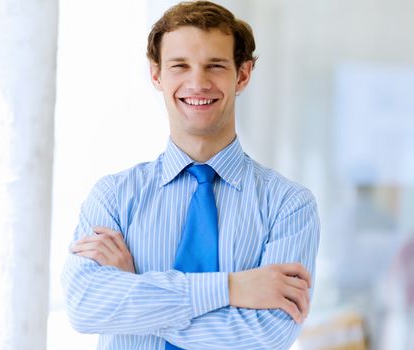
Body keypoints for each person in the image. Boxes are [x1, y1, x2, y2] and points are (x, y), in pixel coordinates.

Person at [62, 1, 320, 349]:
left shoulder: (289, 206)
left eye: (215, 66)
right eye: (179, 66)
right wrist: (231, 288)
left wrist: (135, 290)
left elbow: (265, 337)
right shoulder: (114, 197)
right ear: (156, 75)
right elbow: (85, 306)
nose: (197, 83)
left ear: (242, 74)